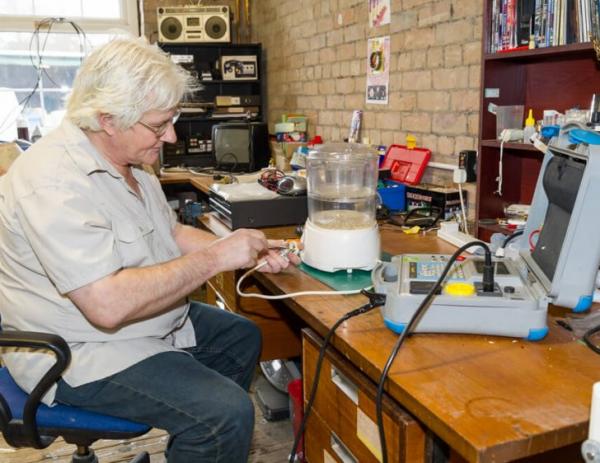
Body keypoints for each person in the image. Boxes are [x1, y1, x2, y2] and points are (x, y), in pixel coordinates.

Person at [0, 37, 299, 462]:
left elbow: (168, 233)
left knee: (241, 336)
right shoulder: (51, 182)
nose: (170, 136)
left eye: (170, 120)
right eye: (159, 125)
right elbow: (107, 306)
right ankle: (206, 434)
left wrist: (244, 249)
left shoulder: (130, 161)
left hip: (140, 326)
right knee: (225, 414)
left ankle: (195, 447)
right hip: (80, 352)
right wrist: (217, 258)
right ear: (107, 119)